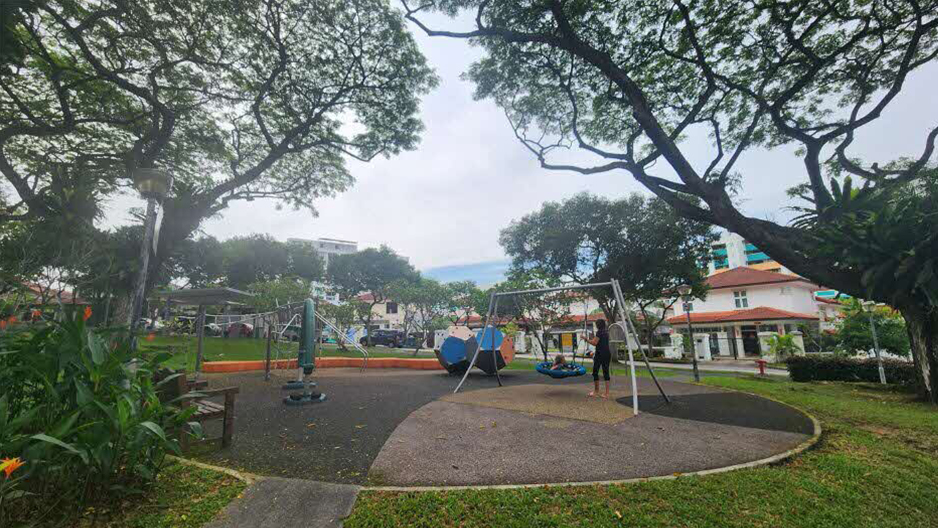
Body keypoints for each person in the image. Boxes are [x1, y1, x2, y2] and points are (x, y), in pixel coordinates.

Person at [586, 319, 611, 398]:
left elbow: (594, 343)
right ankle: (607, 393)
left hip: (600, 354)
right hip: (607, 353)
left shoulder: (599, 332)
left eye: (596, 324)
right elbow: (599, 341)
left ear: (598, 325)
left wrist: (586, 339)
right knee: (606, 372)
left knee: (595, 371)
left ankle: (596, 391)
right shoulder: (606, 332)